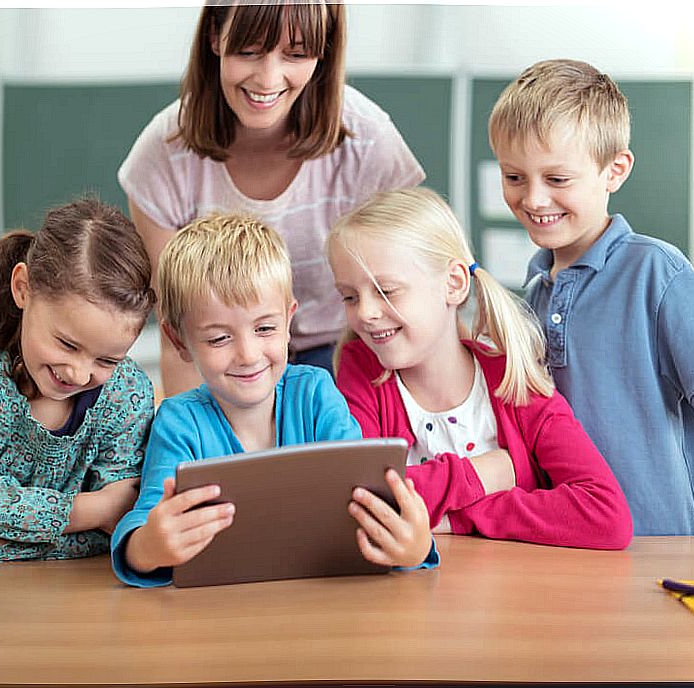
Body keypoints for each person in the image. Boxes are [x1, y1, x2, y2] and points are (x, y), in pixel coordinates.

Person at [111, 213, 438, 588]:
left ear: (288, 320)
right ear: (180, 341)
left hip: (325, 606)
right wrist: (149, 548)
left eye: (265, 328)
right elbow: (142, 526)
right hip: (219, 618)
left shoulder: (316, 394)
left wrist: (416, 547)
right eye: (219, 338)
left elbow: (373, 502)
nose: (248, 355)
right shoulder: (179, 422)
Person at [119, 0, 424, 395]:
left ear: (323, 50)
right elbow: (179, 336)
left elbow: (421, 291)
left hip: (346, 356)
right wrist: (196, 441)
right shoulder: (163, 153)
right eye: (248, 51)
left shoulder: (368, 141)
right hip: (225, 362)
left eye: (296, 54)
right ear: (215, 36)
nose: (268, 78)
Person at [327, 187, 633, 549]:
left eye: (387, 291)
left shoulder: (513, 381)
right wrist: (481, 474)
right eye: (350, 296)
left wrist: (458, 518)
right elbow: (359, 503)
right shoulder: (363, 371)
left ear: (453, 284)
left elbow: (605, 515)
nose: (364, 313)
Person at [488, 59, 694, 536]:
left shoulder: (656, 273)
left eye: (557, 179)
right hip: (573, 544)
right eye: (514, 177)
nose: (534, 199)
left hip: (666, 545)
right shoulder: (530, 296)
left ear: (615, 170)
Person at [0, 197, 157, 563]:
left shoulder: (127, 394)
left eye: (107, 359)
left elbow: (119, 531)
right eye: (67, 344)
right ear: (23, 288)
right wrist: (95, 509)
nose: (80, 373)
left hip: (80, 598)